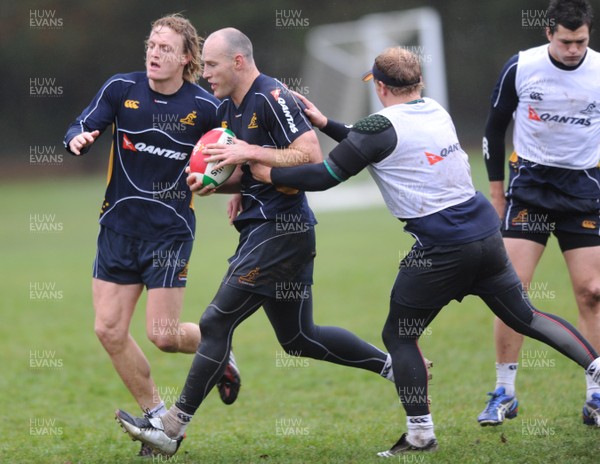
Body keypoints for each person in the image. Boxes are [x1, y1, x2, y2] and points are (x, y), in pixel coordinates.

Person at [248, 47, 600, 455]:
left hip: (441, 248)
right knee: (527, 316)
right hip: (485, 234)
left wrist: (266, 171)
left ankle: (420, 434)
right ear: (417, 83)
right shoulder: (435, 110)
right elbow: (372, 144)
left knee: (399, 335)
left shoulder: (379, 124)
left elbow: (328, 175)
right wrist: (326, 123)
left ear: (380, 86)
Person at [114, 27, 400, 457]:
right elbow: (245, 171)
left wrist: (248, 152)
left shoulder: (273, 97)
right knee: (300, 338)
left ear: (238, 62)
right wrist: (216, 183)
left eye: (210, 64)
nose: (204, 72)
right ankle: (396, 367)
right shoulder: (230, 107)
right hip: (269, 229)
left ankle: (170, 428)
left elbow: (308, 156)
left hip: (280, 232)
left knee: (214, 324)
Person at [63, 14, 241, 456]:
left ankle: (218, 349)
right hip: (118, 230)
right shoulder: (121, 90)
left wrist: (227, 184)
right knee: (108, 330)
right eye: (151, 45)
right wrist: (78, 139)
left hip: (169, 234)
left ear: (185, 58)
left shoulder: (206, 106)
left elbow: (230, 155)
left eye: (165, 48)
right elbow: (80, 124)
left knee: (163, 335)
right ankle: (157, 417)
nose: (154, 53)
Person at [478, 0, 600, 427]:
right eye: (566, 41)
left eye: (581, 41)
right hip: (529, 192)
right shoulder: (522, 67)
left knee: (593, 292)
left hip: (585, 194)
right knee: (512, 293)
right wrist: (497, 193)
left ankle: (596, 395)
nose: (573, 50)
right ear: (549, 32)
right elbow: (493, 129)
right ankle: (504, 392)